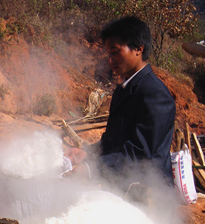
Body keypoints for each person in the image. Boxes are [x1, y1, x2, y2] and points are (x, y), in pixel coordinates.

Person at [69, 16, 176, 189]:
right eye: (108, 53)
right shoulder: (122, 90)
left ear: (138, 49)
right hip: (121, 185)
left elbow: (141, 154)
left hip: (147, 192)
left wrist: (91, 168)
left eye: (115, 51)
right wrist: (86, 154)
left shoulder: (155, 94)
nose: (110, 60)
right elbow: (111, 142)